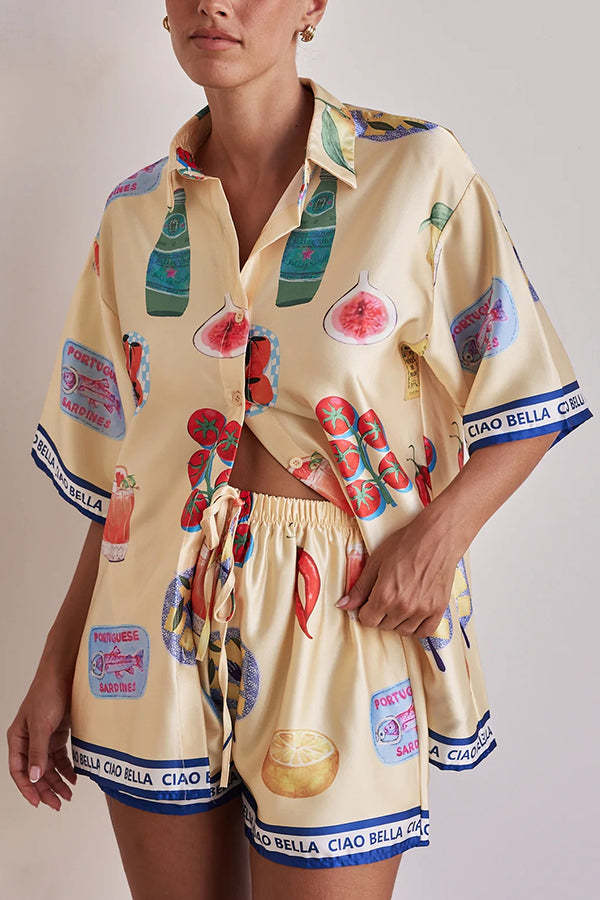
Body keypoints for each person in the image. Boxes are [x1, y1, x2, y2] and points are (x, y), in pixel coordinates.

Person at [8, 1, 593, 898]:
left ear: (313, 6)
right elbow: (117, 471)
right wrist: (55, 660)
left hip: (342, 613)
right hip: (146, 610)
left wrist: (437, 543)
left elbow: (528, 388)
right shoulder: (133, 214)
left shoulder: (415, 171)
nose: (215, 4)